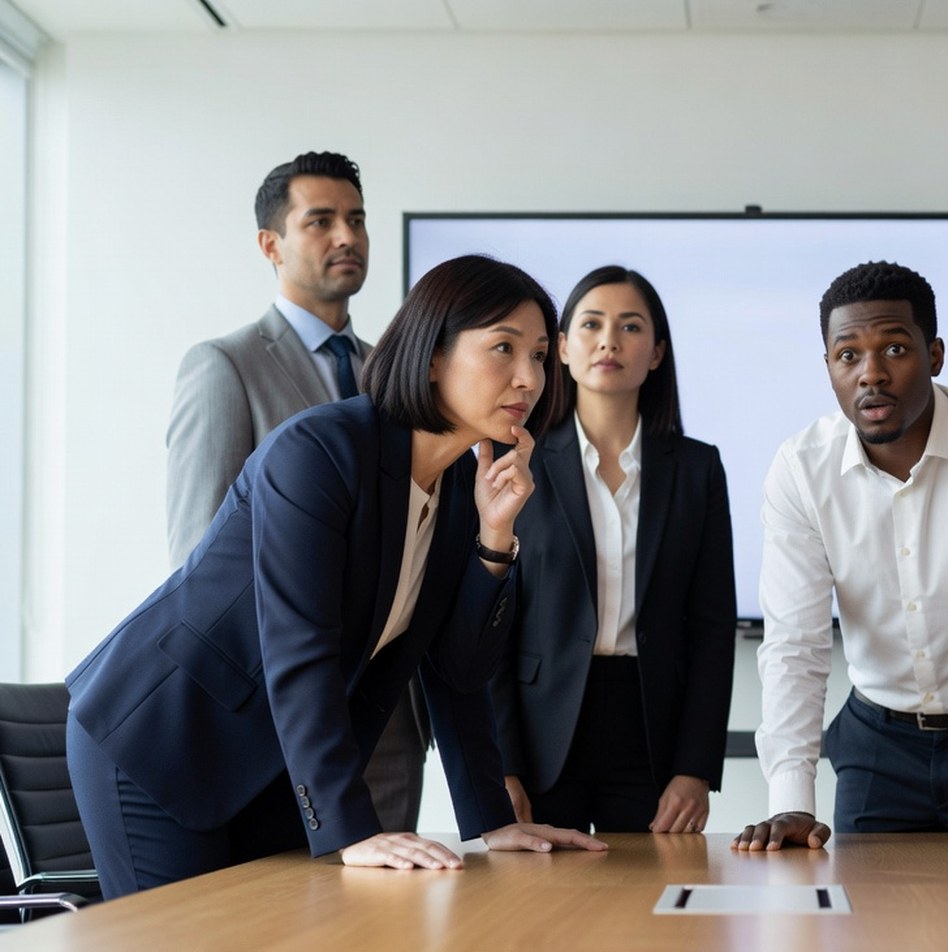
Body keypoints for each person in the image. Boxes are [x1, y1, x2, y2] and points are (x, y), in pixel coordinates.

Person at [68, 255, 606, 898]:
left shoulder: (465, 483)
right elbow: (300, 649)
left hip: (269, 761)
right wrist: (353, 830)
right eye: (503, 348)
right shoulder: (319, 452)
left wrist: (495, 541)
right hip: (162, 744)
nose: (530, 377)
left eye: (542, 355)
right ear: (433, 356)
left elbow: (458, 673)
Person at [734, 261, 948, 854]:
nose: (871, 375)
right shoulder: (801, 467)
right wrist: (790, 800)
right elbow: (795, 643)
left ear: (936, 354)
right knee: (870, 936)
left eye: (894, 348)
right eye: (848, 356)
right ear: (829, 368)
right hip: (876, 744)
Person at [165, 151, 427, 833]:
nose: (347, 236)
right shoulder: (227, 366)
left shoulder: (394, 380)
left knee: (392, 926)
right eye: (321, 221)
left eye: (357, 219)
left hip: (389, 719)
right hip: (277, 717)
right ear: (270, 245)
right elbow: (202, 557)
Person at [492, 266, 736, 834]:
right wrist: (499, 764)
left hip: (652, 730)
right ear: (562, 350)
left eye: (631, 327)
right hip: (540, 728)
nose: (609, 341)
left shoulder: (696, 469)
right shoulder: (515, 461)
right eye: (592, 325)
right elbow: (493, 626)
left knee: (650, 910)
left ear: (655, 353)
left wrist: (695, 768)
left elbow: (711, 626)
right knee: (541, 915)